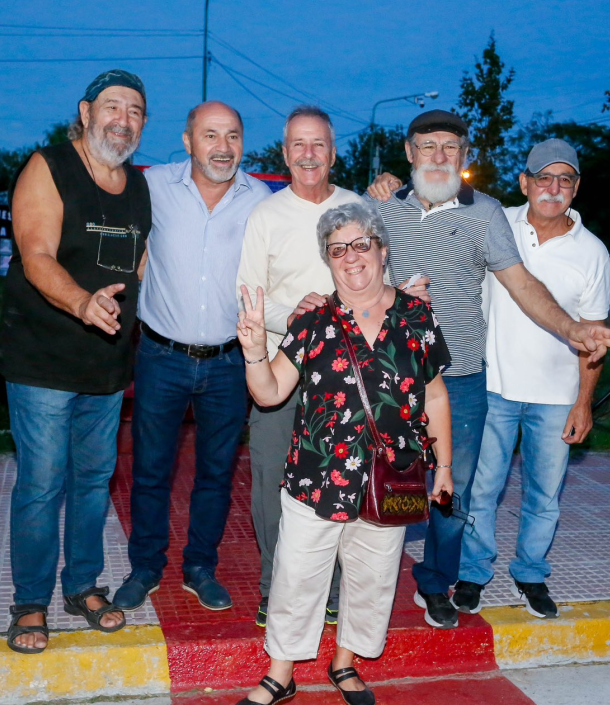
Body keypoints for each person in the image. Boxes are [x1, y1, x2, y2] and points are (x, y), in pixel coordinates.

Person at [364, 110, 610, 629]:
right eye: (428, 145)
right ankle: (364, 583)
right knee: (382, 481)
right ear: (409, 151)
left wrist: (573, 329)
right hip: (392, 375)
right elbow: (352, 276)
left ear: (465, 156)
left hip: (463, 378)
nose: (439, 156)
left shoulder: (486, 214)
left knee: (455, 490)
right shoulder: (379, 209)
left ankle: (436, 582)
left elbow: (522, 284)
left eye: (451, 147)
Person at [235, 202, 453, 705]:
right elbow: (269, 393)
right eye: (338, 250)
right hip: (316, 475)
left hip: (392, 474)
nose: (351, 258)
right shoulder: (313, 321)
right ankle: (281, 674)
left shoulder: (417, 315)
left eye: (360, 245)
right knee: (296, 576)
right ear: (327, 259)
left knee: (372, 577)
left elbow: (435, 395)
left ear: (382, 250)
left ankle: (345, 662)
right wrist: (253, 351)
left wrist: (443, 467)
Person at [0, 69, 150, 653]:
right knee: (41, 483)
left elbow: (140, 268)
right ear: (86, 113)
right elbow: (35, 253)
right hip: (43, 360)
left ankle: (82, 585)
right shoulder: (49, 166)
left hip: (106, 365)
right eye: (113, 107)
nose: (123, 120)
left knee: (92, 481)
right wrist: (83, 302)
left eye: (134, 111)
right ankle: (30, 601)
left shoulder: (138, 185)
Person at [112, 102, 271, 612]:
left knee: (217, 473)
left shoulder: (259, 199)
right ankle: (145, 567)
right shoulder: (153, 186)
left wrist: (383, 189)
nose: (222, 147)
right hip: (161, 356)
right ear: (187, 141)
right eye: (210, 135)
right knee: (150, 470)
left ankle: (200, 567)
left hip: (229, 361)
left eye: (232, 136)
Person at [452, 139, 610, 619]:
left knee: (544, 495)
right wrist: (392, 185)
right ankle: (472, 573)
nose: (553, 188)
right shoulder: (496, 224)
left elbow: (594, 339)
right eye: (543, 178)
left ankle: (531, 573)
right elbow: (436, 211)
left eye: (565, 179)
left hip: (556, 398)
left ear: (576, 188)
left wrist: (583, 403)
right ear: (525, 183)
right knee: (481, 490)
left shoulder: (593, 253)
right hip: (494, 387)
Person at [237, 106, 370, 627]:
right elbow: (247, 294)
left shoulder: (357, 208)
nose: (309, 154)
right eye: (299, 144)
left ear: (333, 153)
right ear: (285, 153)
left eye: (318, 144)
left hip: (345, 379)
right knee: (272, 481)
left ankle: (331, 587)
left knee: (340, 480)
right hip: (279, 369)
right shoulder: (266, 216)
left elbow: (376, 281)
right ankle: (276, 586)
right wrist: (292, 315)